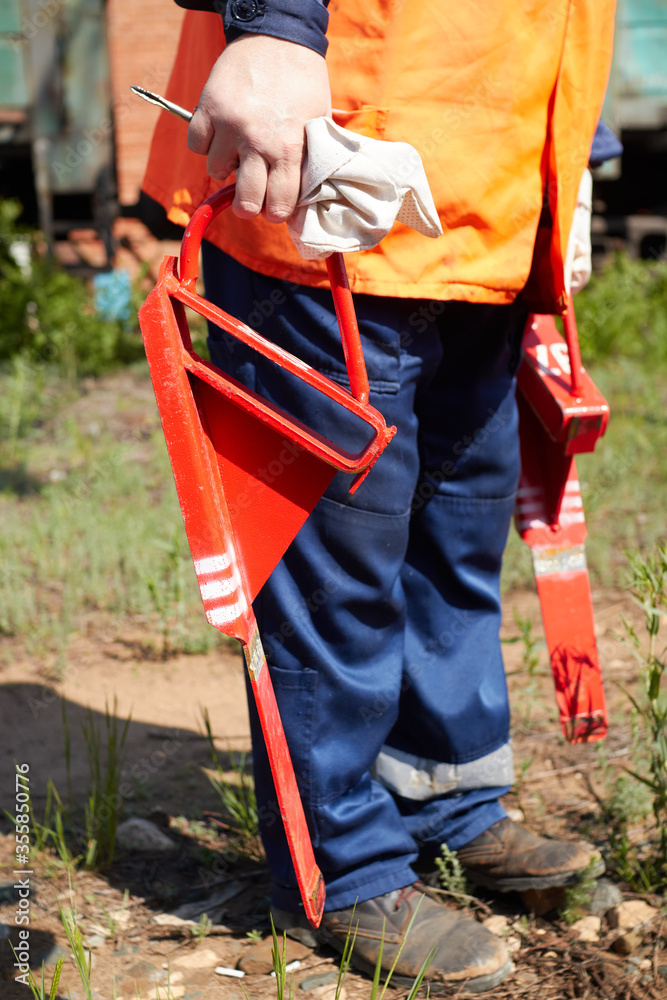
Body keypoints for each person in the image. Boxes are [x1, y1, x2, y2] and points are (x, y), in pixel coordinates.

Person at [142, 1, 618, 991]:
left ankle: (443, 794)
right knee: (336, 549)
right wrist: (272, 26)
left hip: (489, 182)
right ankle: (340, 864)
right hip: (336, 158)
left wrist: (579, 141)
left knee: (457, 521)